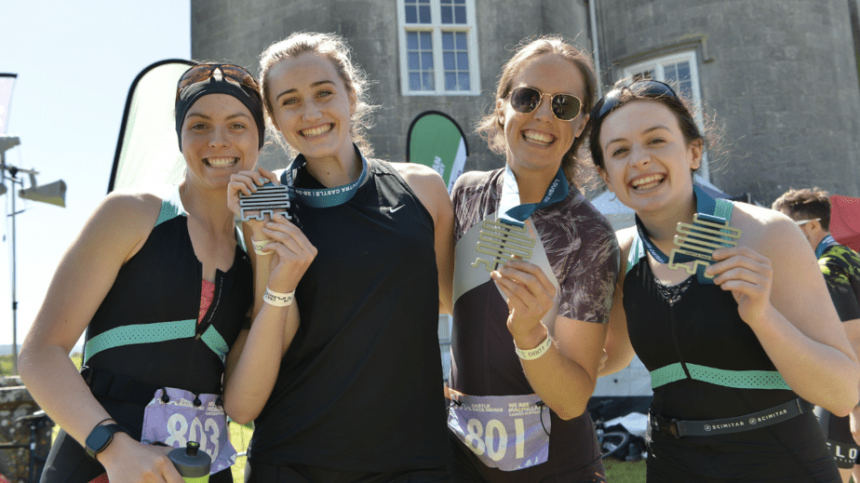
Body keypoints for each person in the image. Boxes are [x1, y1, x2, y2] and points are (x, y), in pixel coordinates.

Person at [593, 79, 860, 482]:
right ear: (606, 176)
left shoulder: (769, 233)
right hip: (674, 465)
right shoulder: (619, 254)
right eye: (620, 151)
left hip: (781, 465)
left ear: (694, 151)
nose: (640, 160)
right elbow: (611, 357)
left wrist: (763, 316)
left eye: (657, 141)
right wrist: (542, 326)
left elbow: (842, 393)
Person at [17, 63, 273, 483]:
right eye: (199, 125)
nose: (218, 140)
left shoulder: (253, 257)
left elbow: (244, 401)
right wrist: (113, 449)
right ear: (180, 138)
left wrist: (267, 254)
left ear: (259, 139)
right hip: (101, 466)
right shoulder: (131, 214)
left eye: (237, 125)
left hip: (204, 470)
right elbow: (40, 354)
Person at [225, 32, 455, 482]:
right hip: (294, 461)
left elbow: (449, 302)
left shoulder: (424, 190)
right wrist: (261, 240)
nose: (311, 113)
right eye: (289, 102)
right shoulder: (269, 210)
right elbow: (265, 346)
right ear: (273, 118)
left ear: (351, 95)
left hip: (414, 461)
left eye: (324, 93)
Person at [444, 36, 619, 483]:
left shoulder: (590, 233)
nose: (543, 115)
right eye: (527, 98)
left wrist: (530, 335)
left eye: (563, 105)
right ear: (502, 107)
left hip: (556, 464)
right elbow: (452, 302)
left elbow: (572, 399)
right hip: (463, 457)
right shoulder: (466, 191)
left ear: (581, 124)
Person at [773, 188, 860, 483]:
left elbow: (852, 335)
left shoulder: (828, 265)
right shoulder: (848, 255)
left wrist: (856, 407)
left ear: (811, 226)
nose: (781, 238)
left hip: (846, 393)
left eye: (785, 227)